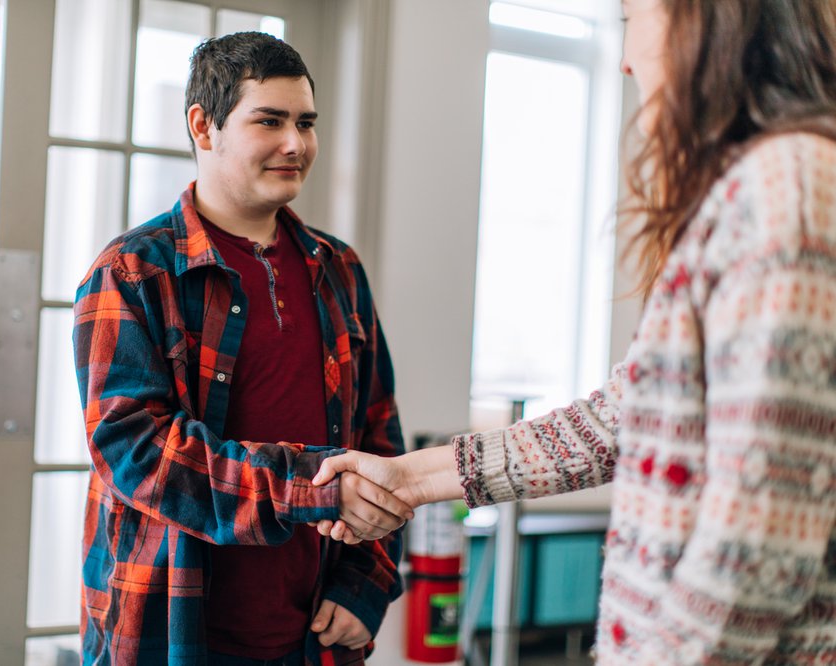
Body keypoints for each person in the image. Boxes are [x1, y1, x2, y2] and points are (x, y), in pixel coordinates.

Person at [312, 1, 836, 663]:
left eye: (631, 20)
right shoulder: (757, 188)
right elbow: (615, 420)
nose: (624, 59)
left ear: (701, 19)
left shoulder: (785, 186)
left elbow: (757, 545)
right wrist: (409, 479)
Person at [73, 31, 412, 665]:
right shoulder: (133, 272)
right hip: (171, 627)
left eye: (305, 122)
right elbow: (138, 452)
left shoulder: (340, 268)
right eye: (270, 121)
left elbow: (380, 438)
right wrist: (312, 489)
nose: (296, 143)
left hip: (314, 636)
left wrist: (366, 583)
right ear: (204, 126)